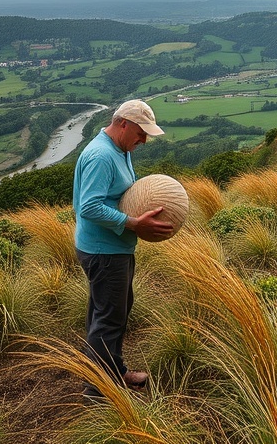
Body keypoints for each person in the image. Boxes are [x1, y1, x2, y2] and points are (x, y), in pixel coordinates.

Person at [73, 99, 172, 395]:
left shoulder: (120, 148)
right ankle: (99, 393)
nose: (144, 140)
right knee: (109, 321)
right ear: (122, 123)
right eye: (141, 133)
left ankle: (114, 371)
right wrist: (133, 223)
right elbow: (88, 207)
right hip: (104, 252)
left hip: (114, 248)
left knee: (110, 314)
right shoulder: (102, 155)